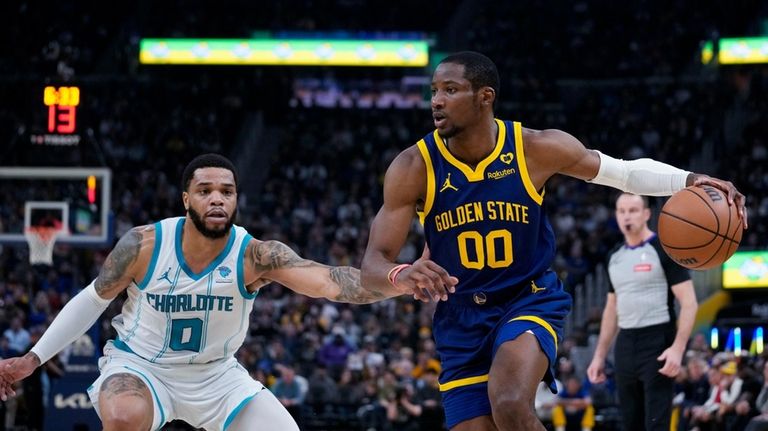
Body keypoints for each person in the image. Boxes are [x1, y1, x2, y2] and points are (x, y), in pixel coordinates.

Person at [360, 51, 747, 430]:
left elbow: (625, 174)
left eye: (450, 90)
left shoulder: (534, 147)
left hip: (526, 298)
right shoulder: (413, 166)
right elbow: (373, 264)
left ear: (485, 96)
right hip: (461, 316)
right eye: (433, 92)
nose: (437, 101)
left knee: (510, 402)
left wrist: (689, 180)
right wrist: (402, 273)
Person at [0, 154, 404, 431]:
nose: (217, 198)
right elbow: (92, 299)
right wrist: (34, 359)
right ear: (186, 199)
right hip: (142, 366)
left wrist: (400, 281)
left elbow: (333, 282)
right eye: (205, 190)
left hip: (217, 373)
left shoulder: (255, 255)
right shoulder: (144, 245)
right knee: (124, 416)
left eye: (226, 192)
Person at [586, 193, 698, 430]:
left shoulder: (664, 249)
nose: (627, 216)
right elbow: (611, 308)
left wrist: (678, 350)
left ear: (646, 214)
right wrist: (599, 355)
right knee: (630, 424)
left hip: (658, 340)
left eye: (633, 210)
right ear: (616, 216)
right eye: (622, 211)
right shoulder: (614, 257)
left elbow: (689, 303)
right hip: (625, 343)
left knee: (656, 424)